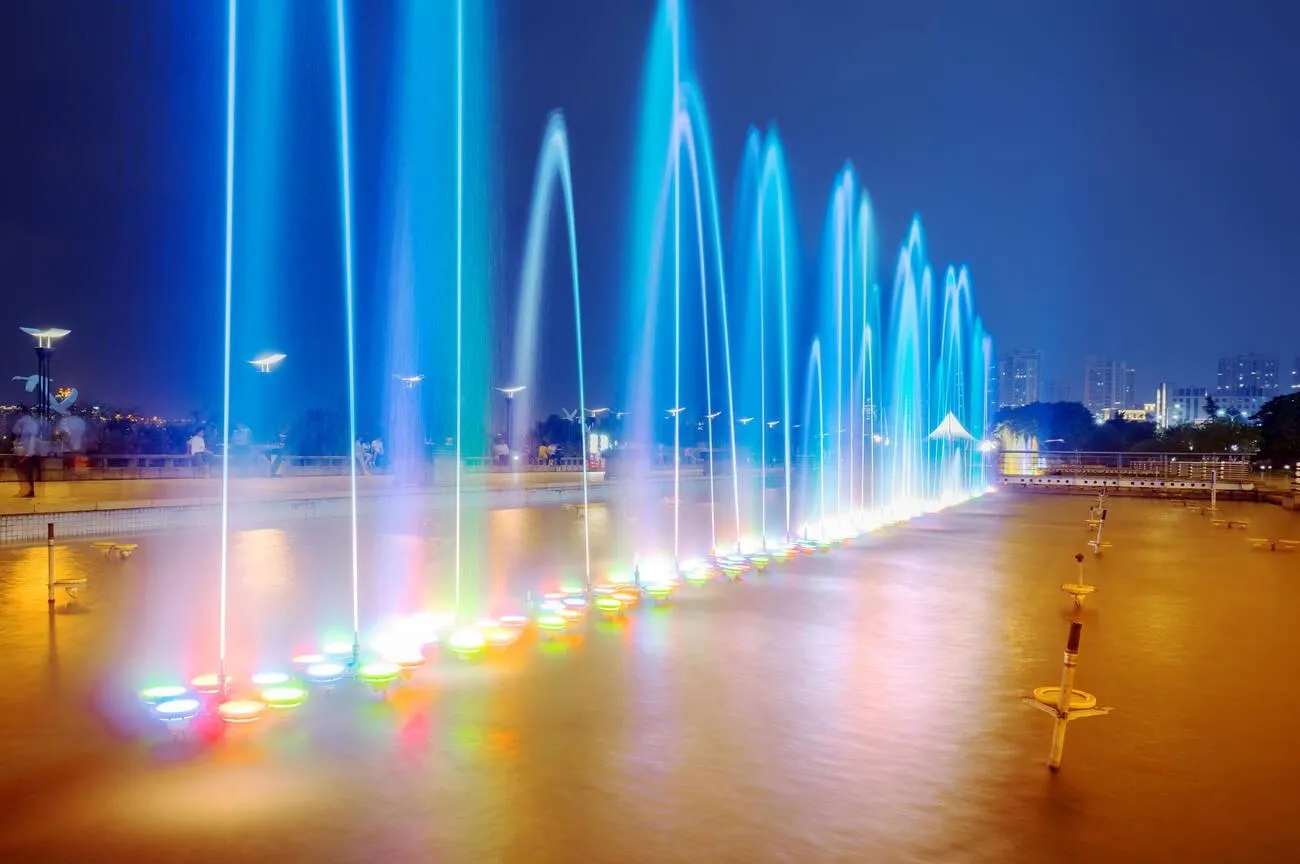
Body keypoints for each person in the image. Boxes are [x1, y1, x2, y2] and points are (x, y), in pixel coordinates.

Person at [12, 408, 40, 497]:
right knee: (29, 472)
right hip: (30, 451)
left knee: (21, 472)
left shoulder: (21, 421)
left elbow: (15, 432)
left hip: (22, 450)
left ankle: (25, 490)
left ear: (22, 413)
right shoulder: (33, 423)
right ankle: (31, 490)